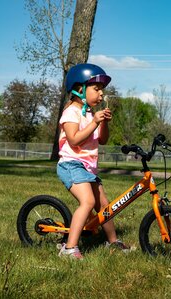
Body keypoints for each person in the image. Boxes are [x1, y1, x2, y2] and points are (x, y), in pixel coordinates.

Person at [57, 63, 129, 259]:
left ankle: (112, 242)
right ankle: (69, 248)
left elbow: (102, 139)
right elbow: (74, 139)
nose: (101, 95)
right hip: (71, 164)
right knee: (87, 202)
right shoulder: (71, 112)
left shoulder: (89, 113)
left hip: (88, 168)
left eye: (102, 91)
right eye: (96, 89)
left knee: (104, 205)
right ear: (80, 89)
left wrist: (102, 122)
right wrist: (95, 121)